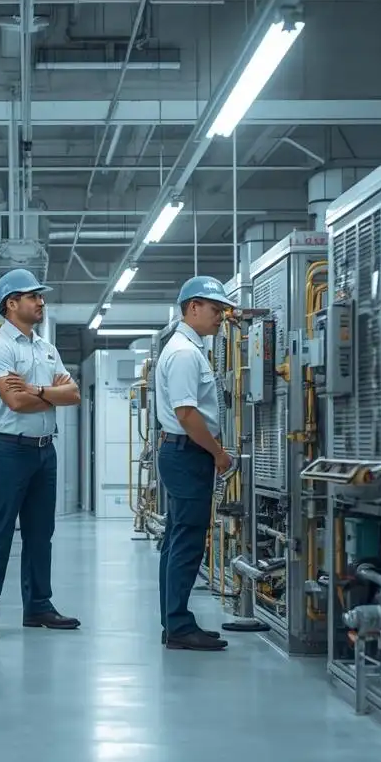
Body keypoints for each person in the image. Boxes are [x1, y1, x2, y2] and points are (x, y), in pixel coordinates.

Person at [0, 269, 83, 640]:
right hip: (7, 451)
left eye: (40, 296)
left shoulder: (46, 349)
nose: (41, 302)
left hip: (44, 452)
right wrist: (51, 394)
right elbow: (15, 402)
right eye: (33, 296)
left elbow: (74, 395)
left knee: (40, 533)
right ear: (11, 303)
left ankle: (38, 607)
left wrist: (36, 389)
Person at [154, 276, 237, 652]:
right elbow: (186, 413)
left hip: (183, 452)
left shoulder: (187, 348)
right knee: (186, 543)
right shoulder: (185, 353)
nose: (220, 317)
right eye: (215, 309)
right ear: (193, 307)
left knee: (176, 540)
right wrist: (218, 453)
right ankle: (178, 627)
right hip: (188, 454)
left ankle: (174, 622)